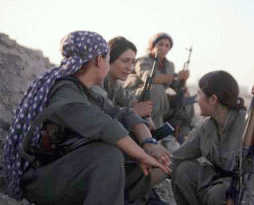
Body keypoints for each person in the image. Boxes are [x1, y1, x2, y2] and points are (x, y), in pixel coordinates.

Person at [3, 31, 170, 205]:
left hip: (67, 174)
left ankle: (129, 198)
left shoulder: (86, 92)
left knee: (129, 153)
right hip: (41, 182)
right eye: (107, 59)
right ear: (99, 60)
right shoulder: (64, 93)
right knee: (108, 154)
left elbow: (124, 114)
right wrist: (142, 155)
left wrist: (149, 145)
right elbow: (106, 126)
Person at [171, 70, 254, 205]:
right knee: (184, 171)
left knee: (218, 194)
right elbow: (176, 159)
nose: (196, 99)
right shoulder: (207, 127)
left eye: (199, 94)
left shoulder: (249, 124)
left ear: (213, 99)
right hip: (229, 186)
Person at [91, 36, 171, 203]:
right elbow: (101, 121)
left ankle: (141, 191)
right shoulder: (96, 85)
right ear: (108, 60)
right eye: (125, 61)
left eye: (132, 62)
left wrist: (145, 118)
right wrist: (135, 112)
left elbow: (129, 105)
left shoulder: (116, 86)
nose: (129, 67)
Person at [123, 32, 191, 152]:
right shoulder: (143, 60)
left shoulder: (169, 65)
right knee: (157, 88)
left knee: (186, 97)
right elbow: (149, 79)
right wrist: (175, 76)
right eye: (160, 44)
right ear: (152, 46)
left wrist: (182, 84)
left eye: (167, 45)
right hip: (137, 94)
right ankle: (156, 130)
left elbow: (173, 84)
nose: (163, 48)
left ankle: (183, 133)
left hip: (158, 100)